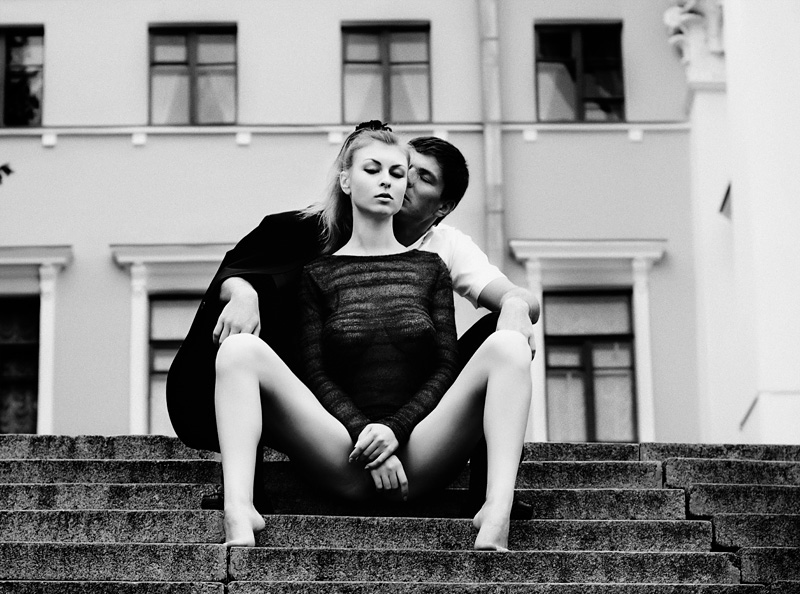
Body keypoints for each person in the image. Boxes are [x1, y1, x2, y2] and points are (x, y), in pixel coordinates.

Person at [166, 122, 538, 517]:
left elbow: (515, 302)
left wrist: (515, 305)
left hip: (422, 422)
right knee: (265, 316)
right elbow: (241, 268)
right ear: (349, 180)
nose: (402, 181)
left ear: (442, 207)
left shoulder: (443, 252)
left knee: (500, 334)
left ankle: (490, 496)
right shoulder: (319, 233)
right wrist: (244, 293)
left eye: (416, 176)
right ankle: (246, 492)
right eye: (401, 169)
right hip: (327, 415)